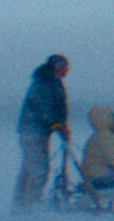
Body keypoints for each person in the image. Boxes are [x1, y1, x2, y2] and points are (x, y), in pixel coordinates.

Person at [11, 55, 71, 212]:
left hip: (40, 132)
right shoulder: (43, 83)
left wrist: (61, 125)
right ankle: (30, 206)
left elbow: (58, 108)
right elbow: (43, 108)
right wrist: (57, 124)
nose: (66, 70)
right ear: (57, 67)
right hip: (33, 131)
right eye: (64, 67)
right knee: (39, 170)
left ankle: (20, 204)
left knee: (29, 169)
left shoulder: (53, 82)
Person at [78, 105, 114, 205]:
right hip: (102, 177)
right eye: (113, 118)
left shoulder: (98, 136)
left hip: (95, 175)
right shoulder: (105, 137)